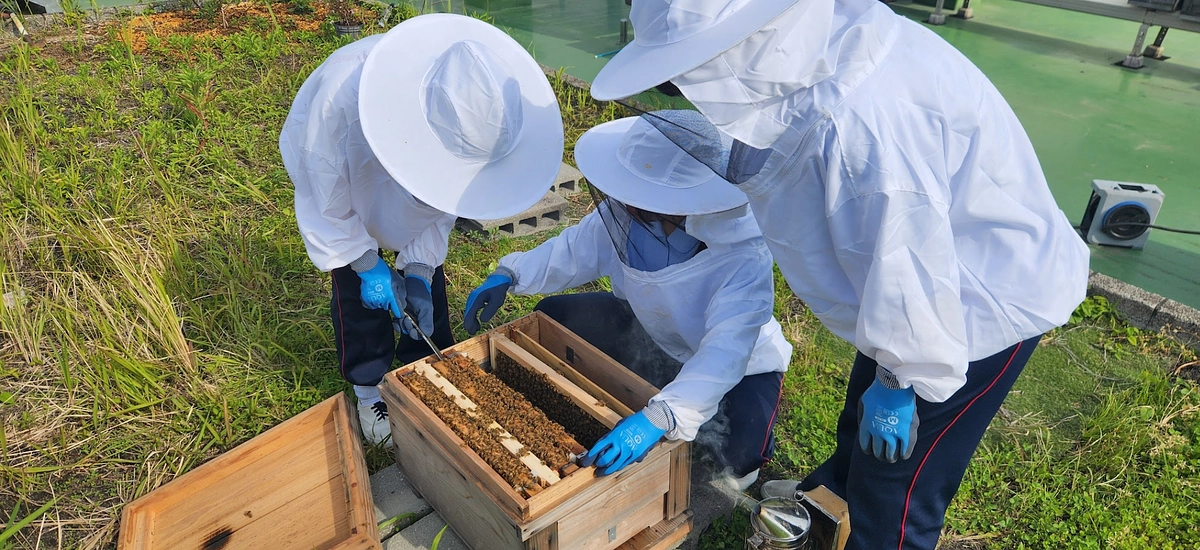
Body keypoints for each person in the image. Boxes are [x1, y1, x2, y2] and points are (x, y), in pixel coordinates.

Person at [588, 0, 1090, 549]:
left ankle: (876, 532)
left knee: (897, 485)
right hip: (921, 282)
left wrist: (902, 379)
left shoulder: (864, 141)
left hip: (976, 307)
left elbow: (911, 267)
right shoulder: (821, 45)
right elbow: (888, 272)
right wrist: (887, 370)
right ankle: (828, 506)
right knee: (861, 416)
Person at [462, 110, 793, 489]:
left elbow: (725, 352)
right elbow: (573, 250)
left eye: (641, 195)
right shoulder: (627, 213)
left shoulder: (743, 255)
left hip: (740, 365)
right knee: (553, 316)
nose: (626, 202)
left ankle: (712, 430)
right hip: (653, 333)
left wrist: (660, 418)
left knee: (736, 457)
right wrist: (512, 274)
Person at [280, 14, 563, 444]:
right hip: (348, 186)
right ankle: (369, 385)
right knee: (358, 296)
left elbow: (441, 203)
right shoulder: (339, 99)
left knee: (427, 293)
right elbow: (326, 199)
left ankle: (426, 369)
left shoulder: (479, 121)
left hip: (401, 183)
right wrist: (364, 260)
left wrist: (418, 271)